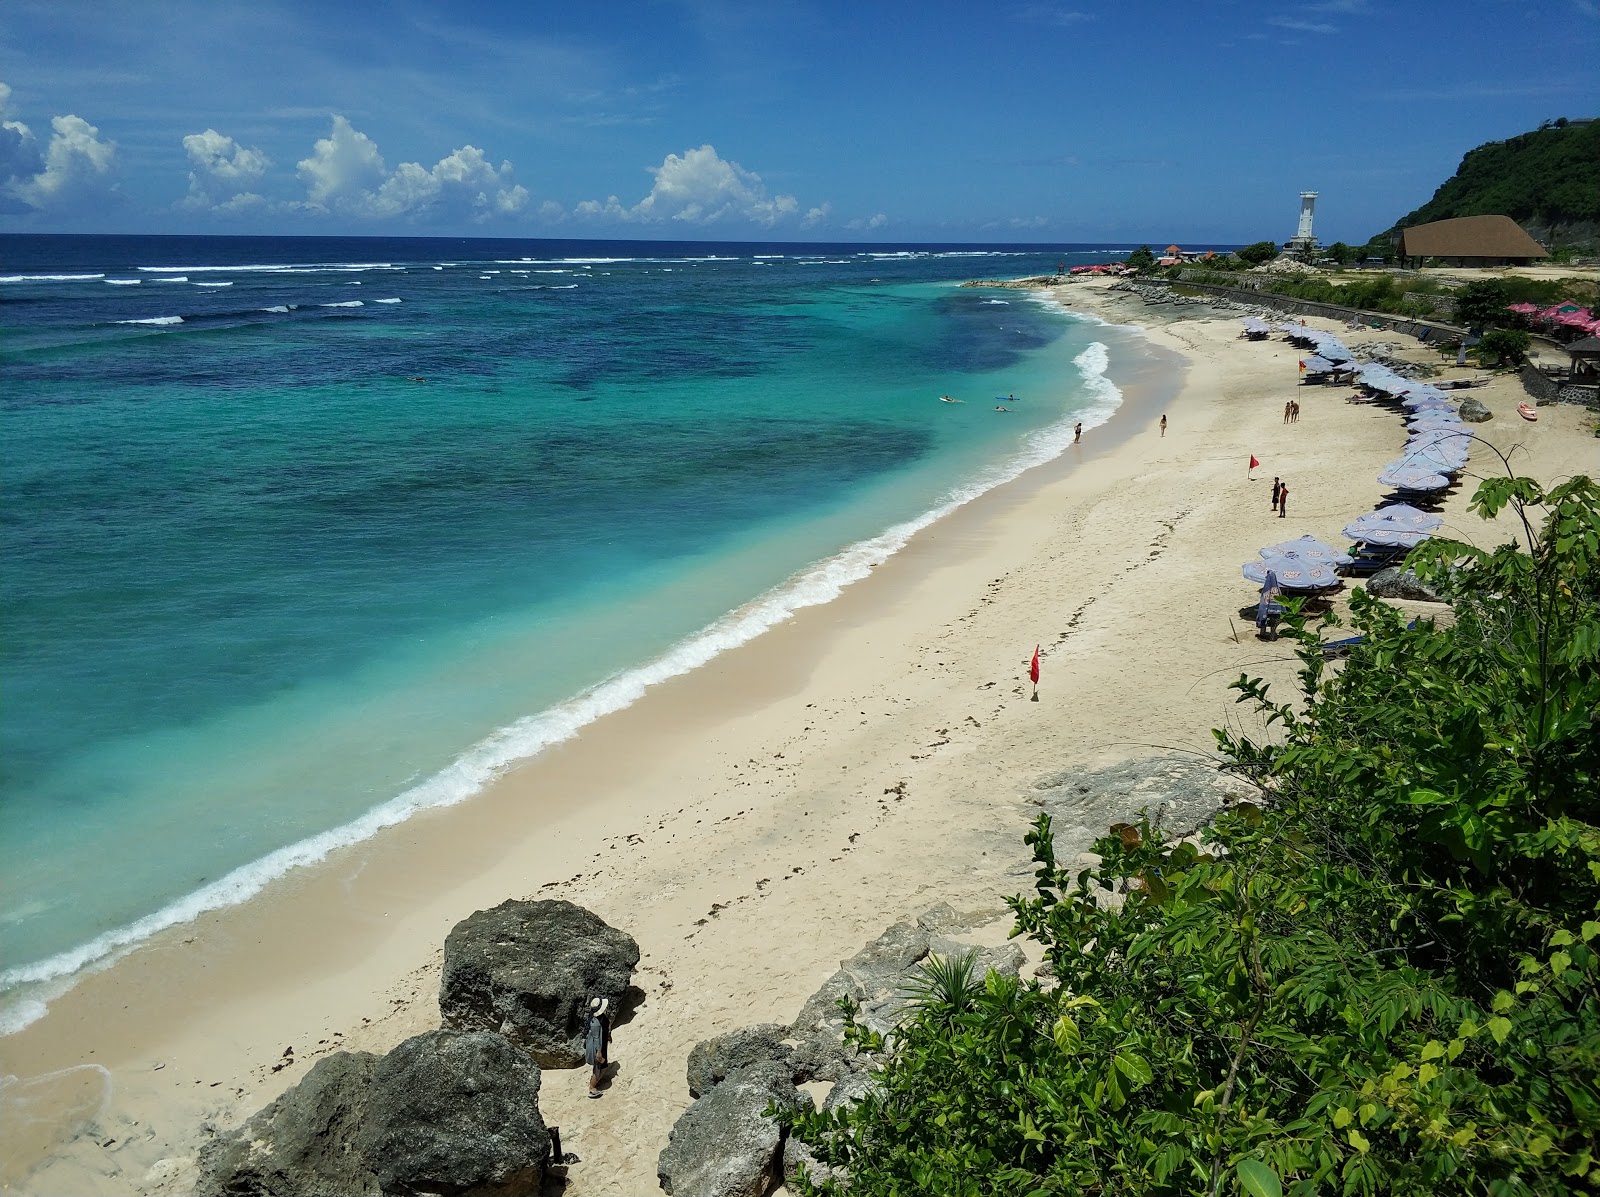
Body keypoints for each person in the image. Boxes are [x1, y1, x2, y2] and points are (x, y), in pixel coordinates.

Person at [585, 996, 611, 1097]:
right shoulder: (595, 1023)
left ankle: (596, 1082)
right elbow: (596, 1039)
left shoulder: (601, 1018)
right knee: (598, 1067)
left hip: (602, 1044)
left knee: (603, 1066)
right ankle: (592, 1088)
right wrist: (598, 1052)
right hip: (598, 1047)